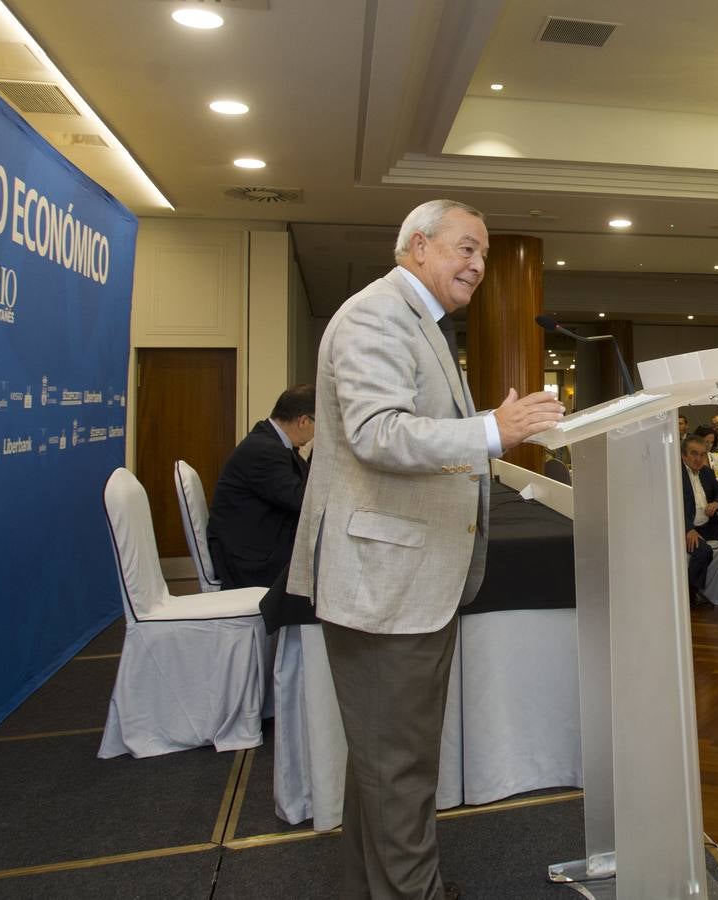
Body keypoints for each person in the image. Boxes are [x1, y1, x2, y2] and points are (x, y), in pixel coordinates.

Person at [286, 199, 566, 899]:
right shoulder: (376, 315)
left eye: (483, 254)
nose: (477, 264)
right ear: (416, 245)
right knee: (400, 768)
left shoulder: (418, 321)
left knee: (385, 765)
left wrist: (487, 429)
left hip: (405, 581)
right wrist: (491, 431)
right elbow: (379, 433)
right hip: (386, 585)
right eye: (465, 248)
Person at [206, 385, 316, 589]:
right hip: (249, 558)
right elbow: (300, 498)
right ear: (303, 421)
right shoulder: (265, 450)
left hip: (253, 541)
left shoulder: (271, 441)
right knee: (321, 561)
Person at [680, 434, 718, 599]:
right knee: (703, 551)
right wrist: (687, 529)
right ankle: (689, 593)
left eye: (702, 454)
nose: (698, 458)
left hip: (707, 527)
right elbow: (670, 507)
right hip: (686, 527)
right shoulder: (675, 475)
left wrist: (717, 503)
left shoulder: (706, 473)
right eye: (693, 453)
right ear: (683, 455)